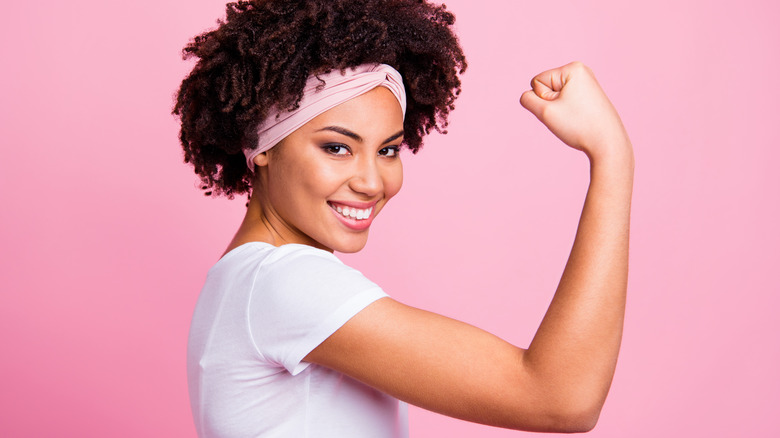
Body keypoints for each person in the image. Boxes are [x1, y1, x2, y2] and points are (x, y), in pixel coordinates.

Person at [174, 0, 634, 437]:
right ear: (263, 147)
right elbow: (560, 397)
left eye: (388, 150)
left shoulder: (242, 280)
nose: (372, 182)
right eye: (337, 147)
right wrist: (612, 155)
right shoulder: (285, 283)